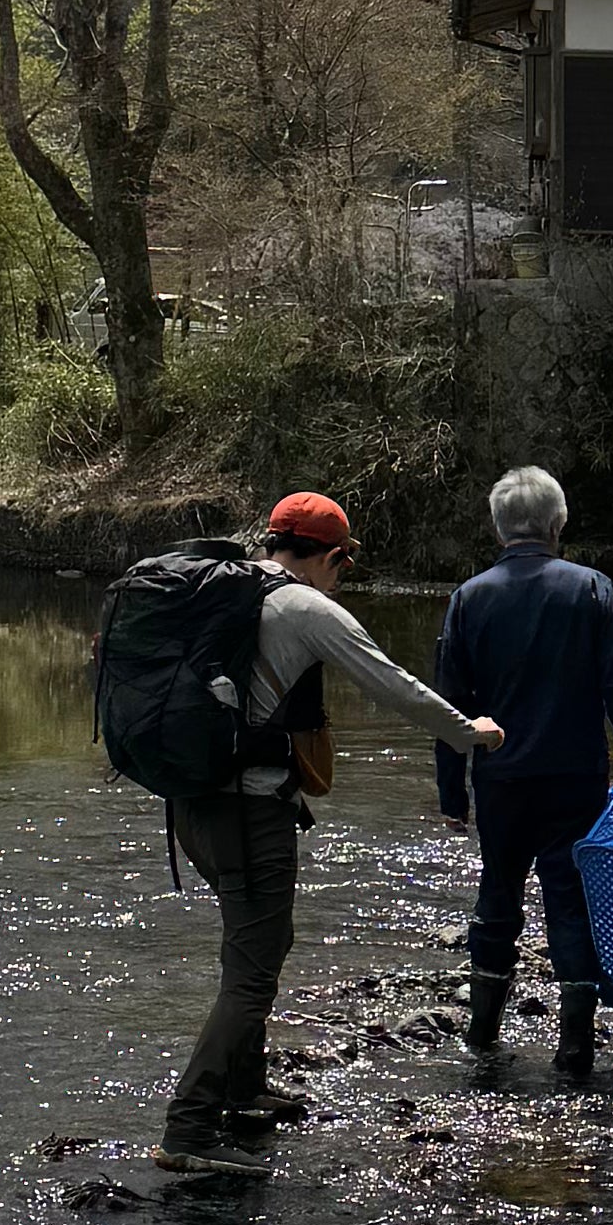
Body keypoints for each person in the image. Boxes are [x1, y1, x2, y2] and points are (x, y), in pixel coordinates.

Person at [162, 491, 496, 1171]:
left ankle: (245, 1091)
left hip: (190, 807)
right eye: (343, 565)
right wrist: (469, 733)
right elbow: (393, 684)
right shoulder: (305, 607)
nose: (341, 578)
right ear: (332, 556)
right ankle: (189, 1131)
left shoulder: (219, 591)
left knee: (249, 948)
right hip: (250, 814)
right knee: (253, 974)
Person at [433, 465, 613, 1086]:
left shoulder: (469, 597)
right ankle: (574, 1051)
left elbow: (448, 707)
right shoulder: (590, 589)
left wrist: (451, 794)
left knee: (497, 898)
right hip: (574, 777)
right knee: (570, 903)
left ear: (499, 527)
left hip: (501, 778)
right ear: (558, 524)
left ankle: (481, 1041)